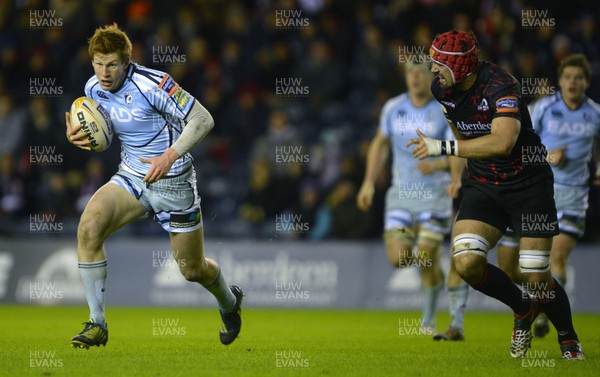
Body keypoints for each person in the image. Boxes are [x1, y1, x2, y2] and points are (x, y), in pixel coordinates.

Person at [407, 30, 584, 359]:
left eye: (438, 64)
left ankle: (568, 337)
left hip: (527, 184)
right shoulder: (442, 88)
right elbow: (462, 132)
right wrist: (458, 173)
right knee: (467, 263)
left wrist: (441, 149)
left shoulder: (502, 86)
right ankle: (522, 310)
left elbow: (503, 143)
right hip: (485, 184)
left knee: (535, 277)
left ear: (460, 67)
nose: (432, 70)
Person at [65, 24, 243, 349]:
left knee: (192, 270)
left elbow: (203, 119)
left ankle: (230, 302)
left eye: (112, 64)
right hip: (132, 177)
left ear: (127, 61)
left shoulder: (154, 83)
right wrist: (79, 136)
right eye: (98, 63)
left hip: (174, 182)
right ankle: (96, 323)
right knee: (89, 228)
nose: (104, 72)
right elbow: (102, 132)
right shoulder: (92, 89)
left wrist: (169, 156)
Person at [497, 54, 600, 338]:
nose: (573, 82)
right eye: (568, 77)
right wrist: (546, 156)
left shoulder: (595, 114)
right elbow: (517, 143)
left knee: (557, 258)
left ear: (586, 82)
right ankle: (539, 303)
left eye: (579, 78)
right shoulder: (542, 108)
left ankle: (547, 317)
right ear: (560, 81)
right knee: (509, 267)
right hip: (537, 192)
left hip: (573, 198)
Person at [357, 62, 458, 333]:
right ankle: (433, 267)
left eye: (421, 71)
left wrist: (439, 165)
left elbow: (459, 150)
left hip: (434, 194)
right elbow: (380, 143)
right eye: (410, 72)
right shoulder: (393, 108)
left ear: (430, 76)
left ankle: (428, 319)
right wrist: (368, 183)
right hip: (401, 195)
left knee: (424, 253)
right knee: (398, 258)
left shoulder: (443, 109)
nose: (415, 76)